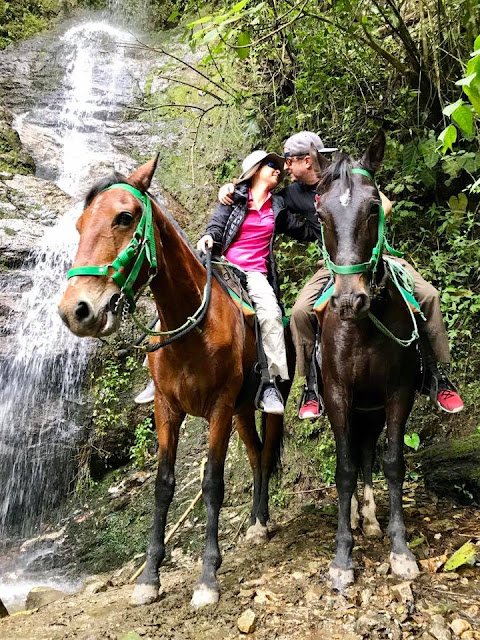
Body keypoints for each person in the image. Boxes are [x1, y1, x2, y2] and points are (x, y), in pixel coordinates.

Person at [219, 131, 465, 417]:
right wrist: (230, 189)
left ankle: (436, 376)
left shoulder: (344, 177)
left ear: (307, 160)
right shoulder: (290, 195)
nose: (286, 167)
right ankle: (311, 386)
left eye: (290, 161)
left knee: (428, 296)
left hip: (373, 255)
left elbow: (384, 203)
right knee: (300, 312)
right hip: (333, 265)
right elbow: (258, 202)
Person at [197, 149, 312, 414]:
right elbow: (216, 226)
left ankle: (269, 384)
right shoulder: (234, 198)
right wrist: (208, 237)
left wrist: (327, 225)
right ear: (255, 170)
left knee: (271, 315)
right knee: (187, 293)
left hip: (256, 274)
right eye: (271, 164)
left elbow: (303, 229)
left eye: (279, 166)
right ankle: (155, 372)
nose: (278, 169)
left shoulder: (278, 206)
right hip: (224, 266)